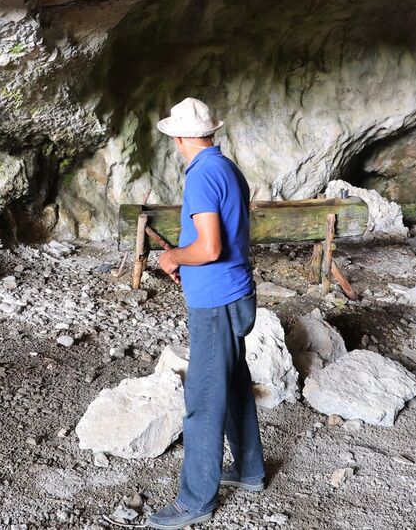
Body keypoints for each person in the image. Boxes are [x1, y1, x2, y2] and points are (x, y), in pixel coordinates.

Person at [146, 98, 265, 529]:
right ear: (210, 132)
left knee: (203, 400)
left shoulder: (200, 176)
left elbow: (209, 248)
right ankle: (250, 470)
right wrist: (189, 262)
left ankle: (196, 499)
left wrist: (175, 257)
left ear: (178, 138)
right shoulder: (227, 168)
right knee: (232, 383)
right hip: (234, 293)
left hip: (215, 303)